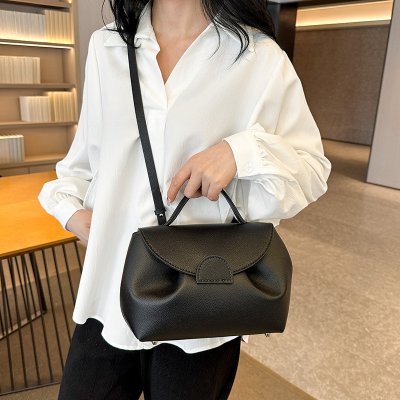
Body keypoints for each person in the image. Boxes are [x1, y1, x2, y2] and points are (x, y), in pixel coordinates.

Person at [38, 0, 332, 398]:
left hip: (203, 303)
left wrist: (239, 152)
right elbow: (85, 163)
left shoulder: (258, 57)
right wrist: (72, 212)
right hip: (109, 293)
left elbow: (312, 170)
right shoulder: (107, 47)